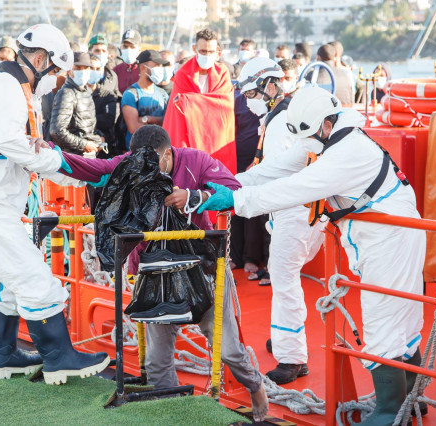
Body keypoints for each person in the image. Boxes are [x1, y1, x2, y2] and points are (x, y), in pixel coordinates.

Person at [199, 86, 425, 425]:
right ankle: (411, 398)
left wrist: (237, 202)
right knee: (400, 315)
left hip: (390, 241)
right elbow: (276, 170)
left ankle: (391, 412)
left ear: (325, 124)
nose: (307, 144)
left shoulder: (347, 152)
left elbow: (296, 187)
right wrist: (232, 185)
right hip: (383, 238)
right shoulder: (329, 136)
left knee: (385, 320)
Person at [57, 125, 269, 423]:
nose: (144, 170)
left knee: (229, 349)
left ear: (168, 153)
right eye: (138, 162)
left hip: (202, 269)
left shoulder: (196, 161)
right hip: (154, 274)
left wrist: (194, 197)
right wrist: (52, 156)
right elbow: (96, 168)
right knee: (157, 360)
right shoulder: (132, 164)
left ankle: (256, 386)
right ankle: (169, 413)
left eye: (151, 163)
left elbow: (234, 189)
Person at [0, 23, 109, 383]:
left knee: (2, 283)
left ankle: (1, 356)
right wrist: (70, 166)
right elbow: (16, 145)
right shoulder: (4, 87)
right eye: (57, 74)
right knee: (34, 278)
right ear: (39, 59)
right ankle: (59, 358)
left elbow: (35, 152)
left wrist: (81, 173)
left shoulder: (18, 90)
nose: (57, 81)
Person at [235, 57, 325, 383]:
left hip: (295, 213)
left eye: (250, 93)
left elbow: (275, 174)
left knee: (284, 279)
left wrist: (237, 195)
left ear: (270, 86)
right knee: (285, 276)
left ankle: (292, 358)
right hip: (301, 211)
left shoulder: (278, 123)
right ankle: (286, 337)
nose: (248, 101)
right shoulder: (282, 117)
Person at [163, 28, 237, 175]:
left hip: (216, 138)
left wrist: (189, 102)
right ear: (195, 49)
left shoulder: (223, 73)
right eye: (203, 51)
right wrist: (205, 103)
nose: (207, 55)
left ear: (217, 52)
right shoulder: (183, 73)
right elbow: (176, 110)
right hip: (189, 136)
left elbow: (225, 105)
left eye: (211, 52)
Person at [230, 61, 269, 282]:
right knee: (235, 207)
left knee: (254, 212)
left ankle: (251, 258)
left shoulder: (267, 102)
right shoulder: (235, 101)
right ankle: (235, 255)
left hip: (259, 162)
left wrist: (257, 160)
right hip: (236, 161)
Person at [49, 52, 103, 156]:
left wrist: (99, 136)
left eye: (86, 68)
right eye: (78, 68)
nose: (82, 72)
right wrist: (84, 144)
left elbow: (85, 126)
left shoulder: (86, 90)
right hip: (71, 157)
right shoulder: (67, 93)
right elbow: (57, 131)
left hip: (86, 155)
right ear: (69, 70)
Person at [121, 50, 169, 149]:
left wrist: (147, 119)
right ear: (143, 68)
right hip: (137, 153)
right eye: (156, 65)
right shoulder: (131, 94)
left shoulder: (163, 94)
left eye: (161, 66)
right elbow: (133, 127)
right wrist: (159, 125)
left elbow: (167, 121)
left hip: (159, 151)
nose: (160, 69)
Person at [88, 54, 120, 157]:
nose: (95, 71)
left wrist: (83, 118)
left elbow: (108, 121)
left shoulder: (107, 95)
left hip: (104, 149)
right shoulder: (74, 93)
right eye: (91, 68)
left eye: (98, 68)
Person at [113, 29, 141, 94]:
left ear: (139, 49)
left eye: (132, 47)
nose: (128, 49)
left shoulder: (143, 70)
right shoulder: (116, 70)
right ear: (121, 48)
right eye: (125, 46)